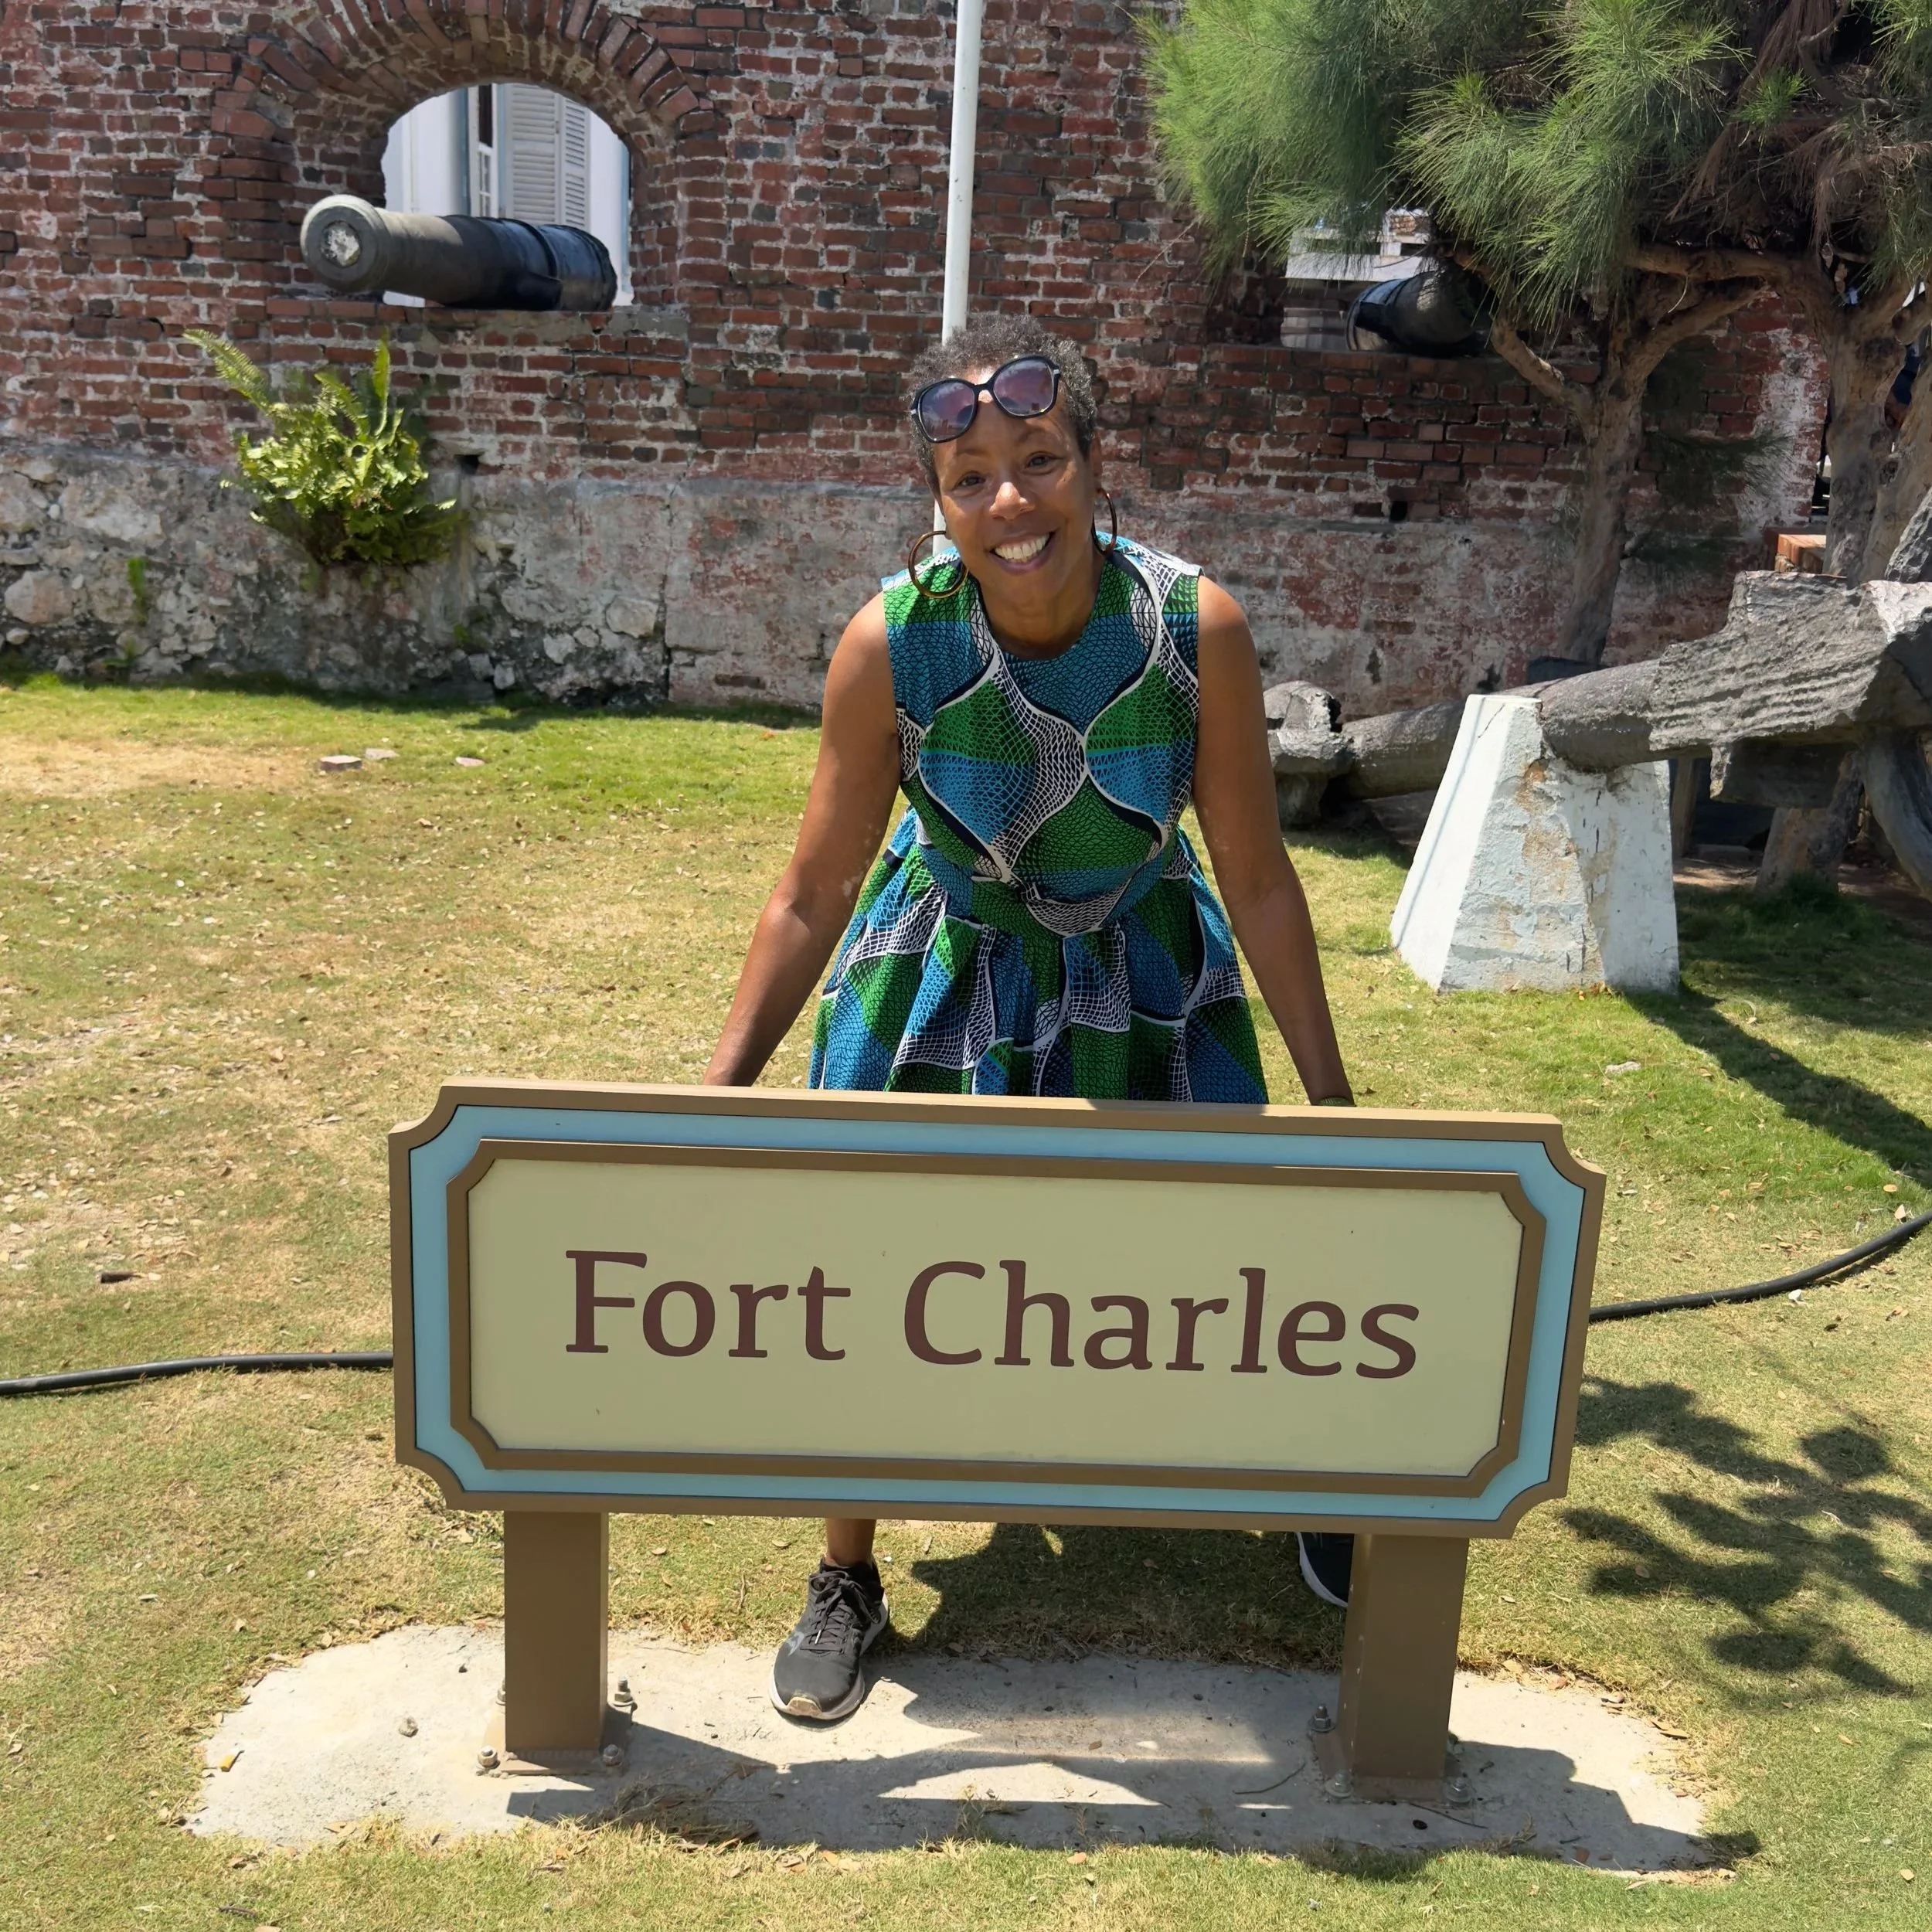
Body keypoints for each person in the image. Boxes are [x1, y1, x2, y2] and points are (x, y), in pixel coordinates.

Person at [703, 312, 1356, 1723]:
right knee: (876, 1278)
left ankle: (1319, 1479)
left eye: (1040, 458)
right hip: (949, 972)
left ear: (1093, 459)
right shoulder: (893, 645)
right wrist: (719, 1087)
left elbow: (1252, 871)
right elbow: (813, 887)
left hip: (1145, 973)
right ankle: (848, 1568)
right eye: (971, 477)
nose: (1011, 501)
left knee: (1225, 1269)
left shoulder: (1194, 628)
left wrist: (1335, 1104)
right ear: (937, 502)